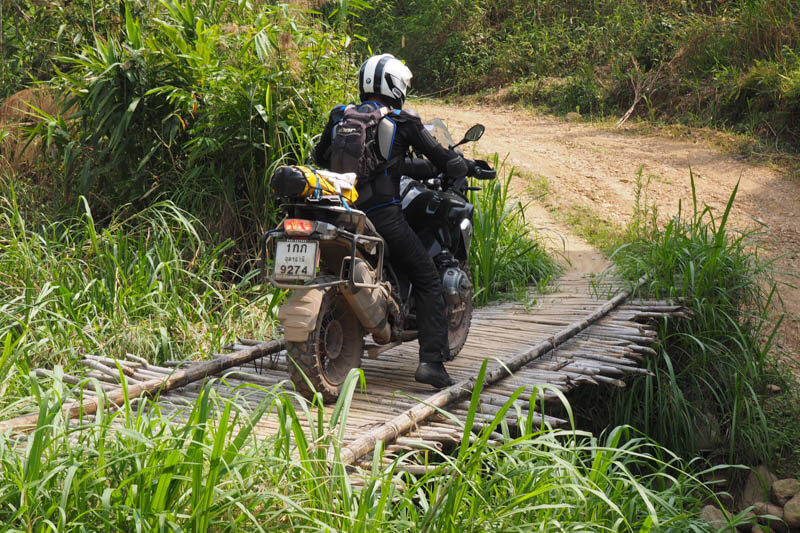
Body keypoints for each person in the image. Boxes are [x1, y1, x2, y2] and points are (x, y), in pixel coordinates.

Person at [312, 53, 474, 389]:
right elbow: (442, 159)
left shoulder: (340, 115)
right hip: (383, 216)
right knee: (428, 277)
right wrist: (461, 166)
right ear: (397, 86)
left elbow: (319, 157)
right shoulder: (403, 121)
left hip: (340, 212)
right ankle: (432, 362)